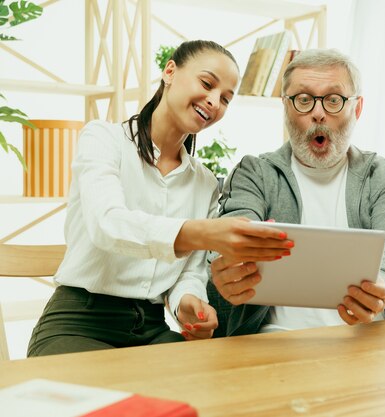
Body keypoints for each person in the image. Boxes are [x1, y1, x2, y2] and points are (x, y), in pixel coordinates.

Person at [27, 40, 292, 357]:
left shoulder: (205, 182)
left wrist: (188, 304)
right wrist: (203, 232)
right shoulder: (103, 139)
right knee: (106, 406)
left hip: (152, 329)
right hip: (78, 322)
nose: (213, 101)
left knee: (211, 390)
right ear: (170, 71)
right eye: (206, 84)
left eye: (225, 98)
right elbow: (107, 224)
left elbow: (190, 273)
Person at [207, 48, 385, 337]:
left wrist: (381, 285)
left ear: (356, 109)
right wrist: (231, 265)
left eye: (334, 100)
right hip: (271, 343)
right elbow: (232, 233)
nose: (318, 113)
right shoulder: (254, 173)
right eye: (304, 100)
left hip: (367, 342)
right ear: (286, 106)